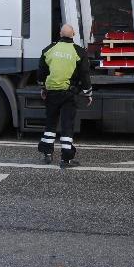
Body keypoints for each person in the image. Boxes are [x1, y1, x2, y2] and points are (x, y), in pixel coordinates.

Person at [36, 24, 92, 168]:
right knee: (67, 125)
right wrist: (88, 93)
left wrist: (43, 87)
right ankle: (65, 160)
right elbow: (84, 74)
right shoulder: (79, 52)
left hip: (51, 92)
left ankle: (47, 154)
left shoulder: (49, 49)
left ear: (60, 33)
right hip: (69, 93)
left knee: (50, 123)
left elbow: (41, 71)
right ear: (73, 34)